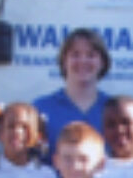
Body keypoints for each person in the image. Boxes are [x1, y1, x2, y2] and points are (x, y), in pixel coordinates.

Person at [33, 28, 112, 158]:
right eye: (75, 54)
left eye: (91, 55)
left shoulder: (114, 109)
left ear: (102, 62)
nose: (83, 61)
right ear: (64, 61)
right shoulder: (41, 108)